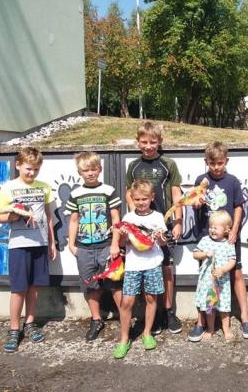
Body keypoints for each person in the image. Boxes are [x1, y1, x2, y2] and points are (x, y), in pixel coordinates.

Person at [187, 141, 248, 341]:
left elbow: (238, 207)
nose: (216, 167)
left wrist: (234, 229)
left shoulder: (232, 181)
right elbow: (195, 202)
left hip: (228, 236)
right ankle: (201, 322)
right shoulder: (201, 180)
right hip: (206, 235)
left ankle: (244, 318)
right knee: (204, 278)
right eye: (212, 163)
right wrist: (197, 203)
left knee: (236, 273)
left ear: (226, 161)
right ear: (206, 162)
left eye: (220, 163)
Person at [0, 147, 58, 353]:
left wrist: (52, 242)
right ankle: (14, 329)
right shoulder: (8, 188)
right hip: (19, 245)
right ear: (18, 165)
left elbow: (48, 217)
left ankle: (30, 323)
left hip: (39, 243)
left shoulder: (44, 187)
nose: (32, 173)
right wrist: (15, 215)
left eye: (36, 170)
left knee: (35, 287)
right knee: (19, 288)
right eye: (28, 169)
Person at [125, 121, 183, 334]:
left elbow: (177, 195)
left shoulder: (168, 163)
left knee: (166, 270)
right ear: (137, 141)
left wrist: (178, 222)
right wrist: (134, 219)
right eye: (144, 142)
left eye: (153, 142)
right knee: (146, 269)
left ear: (160, 142)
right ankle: (154, 314)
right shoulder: (133, 166)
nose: (148, 146)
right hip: (140, 228)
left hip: (163, 225)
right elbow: (128, 193)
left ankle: (168, 312)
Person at [66, 152, 123, 341]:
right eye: (85, 170)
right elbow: (73, 220)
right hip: (84, 246)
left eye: (93, 169)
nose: (90, 173)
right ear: (79, 172)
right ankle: (96, 318)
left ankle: (124, 316)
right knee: (90, 285)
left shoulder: (108, 190)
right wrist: (71, 244)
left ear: (99, 169)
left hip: (106, 245)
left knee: (115, 282)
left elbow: (116, 219)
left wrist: (115, 243)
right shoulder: (76, 194)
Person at [111, 179, 169, 359]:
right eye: (137, 199)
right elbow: (122, 244)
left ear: (152, 197)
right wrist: (120, 237)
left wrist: (160, 237)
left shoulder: (158, 217)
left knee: (151, 298)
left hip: (152, 264)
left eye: (144, 199)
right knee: (127, 302)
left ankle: (147, 333)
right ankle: (124, 339)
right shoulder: (128, 218)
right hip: (133, 265)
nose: (141, 203)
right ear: (131, 199)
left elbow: (162, 242)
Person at [192, 211, 237, 341]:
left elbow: (232, 261)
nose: (212, 230)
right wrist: (205, 253)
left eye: (215, 228)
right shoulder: (205, 240)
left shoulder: (228, 243)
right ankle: (210, 329)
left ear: (226, 229)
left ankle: (226, 329)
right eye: (211, 227)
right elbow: (195, 254)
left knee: (224, 306)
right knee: (210, 306)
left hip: (222, 282)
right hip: (208, 281)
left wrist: (223, 269)